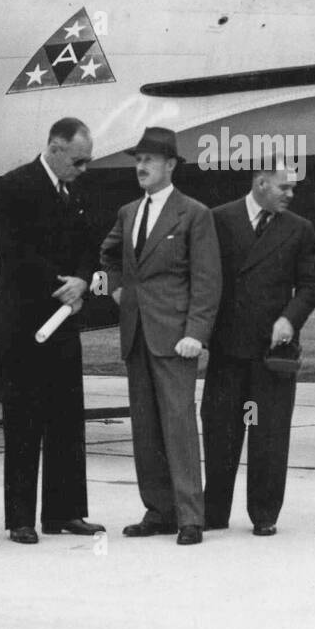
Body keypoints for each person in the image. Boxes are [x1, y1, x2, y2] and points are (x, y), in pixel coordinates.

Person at [100, 127, 221, 546]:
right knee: (146, 428)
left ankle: (190, 516)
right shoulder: (129, 212)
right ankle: (158, 511)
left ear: (171, 165)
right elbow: (110, 253)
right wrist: (117, 288)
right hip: (137, 335)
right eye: (138, 159)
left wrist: (197, 333)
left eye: (150, 159)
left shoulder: (194, 213)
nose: (141, 166)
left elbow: (207, 281)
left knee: (179, 427)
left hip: (175, 339)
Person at [0, 118, 105, 545]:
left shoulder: (78, 190)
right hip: (24, 324)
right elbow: (13, 251)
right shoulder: (14, 187)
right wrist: (63, 285)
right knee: (23, 420)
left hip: (63, 322)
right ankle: (21, 518)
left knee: (66, 418)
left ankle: (65, 511)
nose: (84, 168)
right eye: (78, 159)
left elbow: (89, 244)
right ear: (54, 148)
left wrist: (82, 278)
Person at [202, 162, 315, 536]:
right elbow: (204, 278)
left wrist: (290, 319)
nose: (290, 194)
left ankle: (264, 513)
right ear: (261, 182)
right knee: (220, 430)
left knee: (270, 433)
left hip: (273, 351)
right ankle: (213, 511)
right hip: (227, 347)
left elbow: (309, 285)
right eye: (284, 187)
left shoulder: (300, 230)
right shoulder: (218, 220)